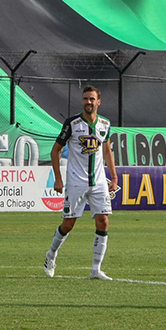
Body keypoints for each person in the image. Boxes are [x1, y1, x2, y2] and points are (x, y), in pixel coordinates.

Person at [43, 85, 118, 280]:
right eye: (85, 99)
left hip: (99, 182)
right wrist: (58, 178)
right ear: (82, 101)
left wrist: (114, 176)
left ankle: (96, 269)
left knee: (103, 220)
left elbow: (108, 151)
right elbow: (55, 150)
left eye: (92, 99)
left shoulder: (105, 124)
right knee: (68, 224)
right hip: (76, 181)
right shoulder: (72, 124)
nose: (88, 102)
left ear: (98, 102)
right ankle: (51, 255)